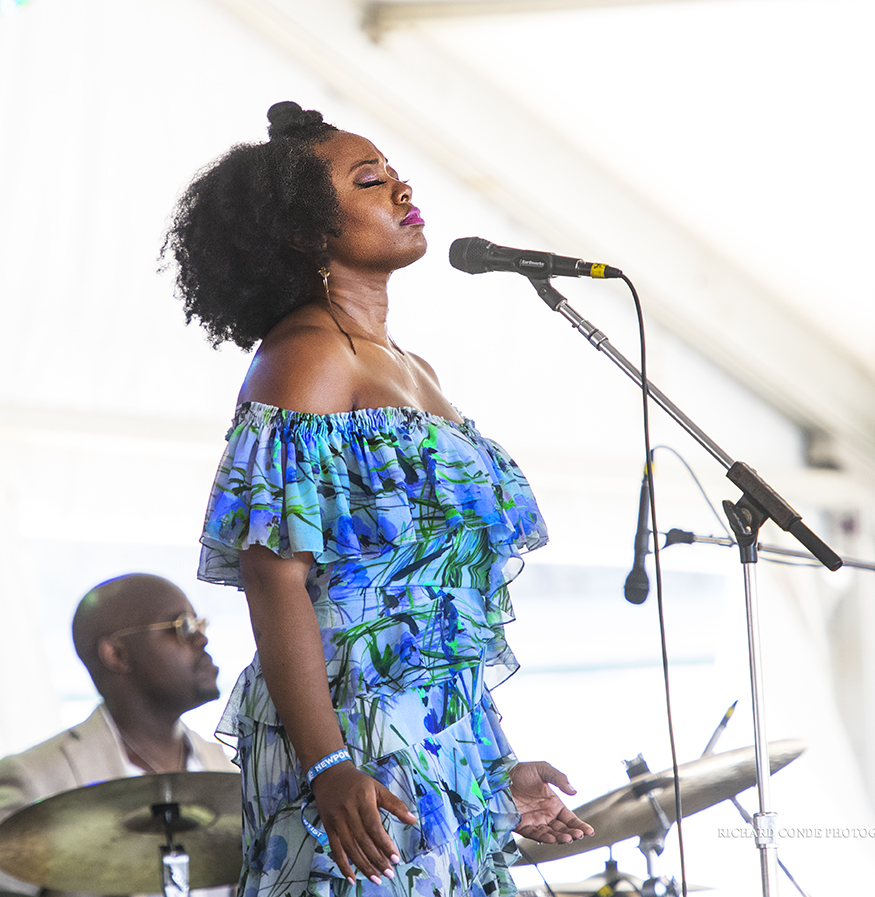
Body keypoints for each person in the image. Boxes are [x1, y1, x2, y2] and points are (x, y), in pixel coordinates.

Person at [163, 102, 592, 897]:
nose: (401, 190)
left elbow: (433, 611)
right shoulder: (305, 356)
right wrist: (328, 763)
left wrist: (490, 769)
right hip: (347, 738)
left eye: (396, 174)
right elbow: (275, 576)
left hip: (434, 732)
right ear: (304, 231)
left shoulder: (414, 369)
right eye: (371, 180)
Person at [0, 573, 234, 897]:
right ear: (116, 654)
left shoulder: (229, 772)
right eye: (182, 626)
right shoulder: (36, 777)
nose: (201, 639)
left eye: (199, 625)